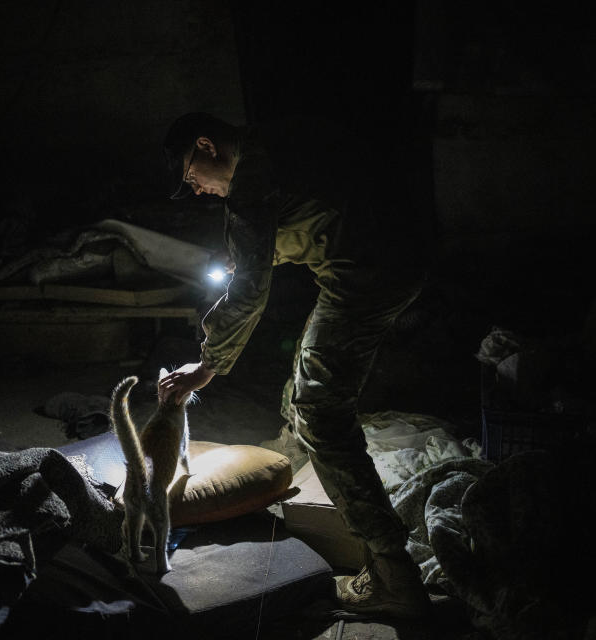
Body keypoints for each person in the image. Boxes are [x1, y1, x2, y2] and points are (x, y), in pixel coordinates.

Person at [157, 112, 432, 618]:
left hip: (365, 276)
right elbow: (302, 221)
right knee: (307, 394)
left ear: (206, 145)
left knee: (321, 415)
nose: (198, 190)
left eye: (193, 177)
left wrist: (208, 364)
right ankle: (384, 559)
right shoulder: (274, 145)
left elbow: (249, 291)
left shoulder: (250, 182)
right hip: (385, 258)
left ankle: (396, 578)